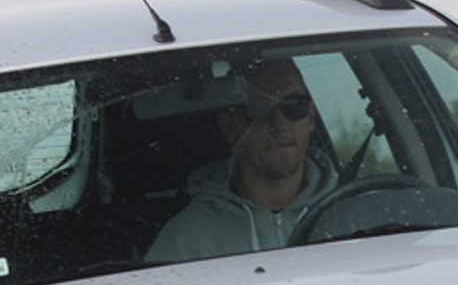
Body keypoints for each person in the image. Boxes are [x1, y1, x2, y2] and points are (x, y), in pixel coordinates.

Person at [144, 59, 343, 262]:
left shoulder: (353, 214)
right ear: (229, 126)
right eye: (259, 109)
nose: (280, 122)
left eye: (293, 106)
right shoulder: (187, 239)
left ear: (311, 115)